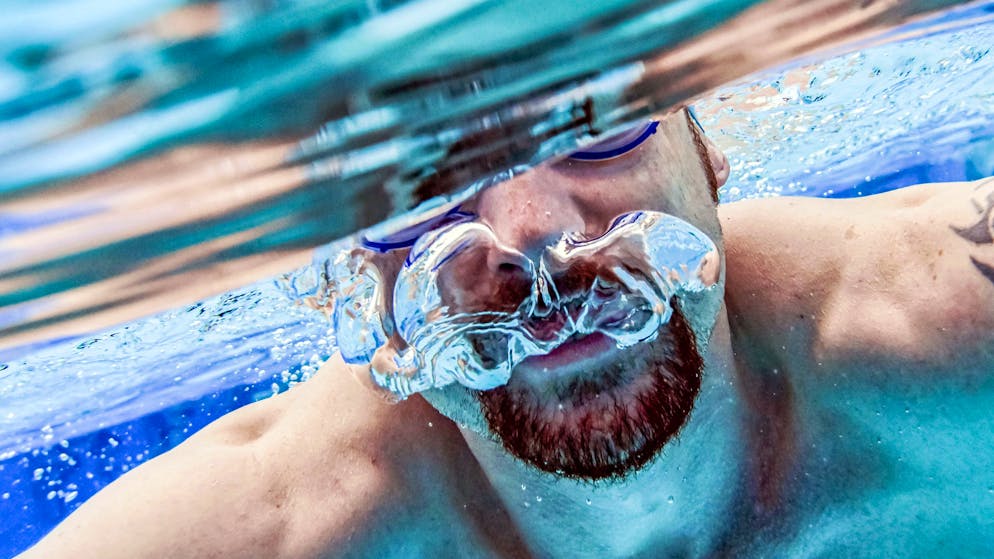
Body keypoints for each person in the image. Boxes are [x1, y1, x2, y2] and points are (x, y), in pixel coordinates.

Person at [18, 108, 994, 558]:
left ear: (705, 143)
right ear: (350, 271)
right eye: (417, 190)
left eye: (596, 125)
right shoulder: (277, 533)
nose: (531, 236)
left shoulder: (952, 331)